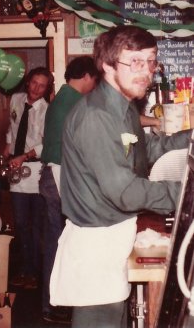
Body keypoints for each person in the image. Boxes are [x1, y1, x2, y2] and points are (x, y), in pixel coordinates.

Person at [50, 25, 191, 328]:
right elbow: (125, 192)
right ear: (107, 66)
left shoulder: (123, 108)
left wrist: (190, 137)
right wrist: (186, 194)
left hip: (114, 239)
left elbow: (150, 149)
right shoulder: (97, 116)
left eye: (150, 61)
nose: (146, 72)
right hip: (96, 247)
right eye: (135, 62)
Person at [40, 56, 99, 324]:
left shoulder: (63, 98)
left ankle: (54, 302)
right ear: (86, 76)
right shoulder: (74, 101)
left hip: (55, 175)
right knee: (59, 243)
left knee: (58, 241)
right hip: (59, 175)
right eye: (94, 80)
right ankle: (53, 304)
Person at [3, 66, 54, 289]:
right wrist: (7, 145)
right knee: (21, 223)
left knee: (36, 226)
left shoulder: (47, 111)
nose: (37, 88)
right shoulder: (16, 99)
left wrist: (24, 155)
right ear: (28, 82)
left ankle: (35, 273)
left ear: (47, 89)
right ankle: (25, 270)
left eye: (42, 85)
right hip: (17, 170)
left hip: (36, 171)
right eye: (34, 82)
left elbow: (46, 144)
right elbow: (12, 127)